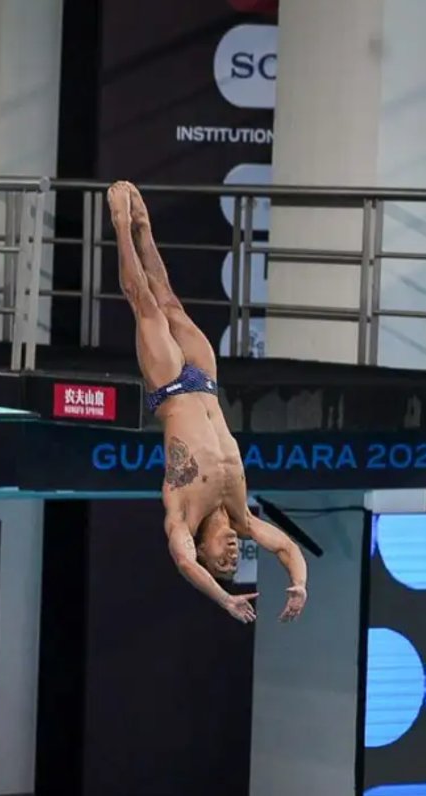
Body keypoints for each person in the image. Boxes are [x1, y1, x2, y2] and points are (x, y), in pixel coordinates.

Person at [106, 181, 308, 624]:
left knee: (145, 307)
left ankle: (121, 226)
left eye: (222, 561)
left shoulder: (181, 514)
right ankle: (144, 230)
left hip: (171, 388)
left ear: (203, 548)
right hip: (206, 382)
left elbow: (183, 564)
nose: (232, 554)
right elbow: (287, 547)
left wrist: (222, 597)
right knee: (171, 303)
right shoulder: (243, 517)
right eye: (234, 562)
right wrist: (298, 584)